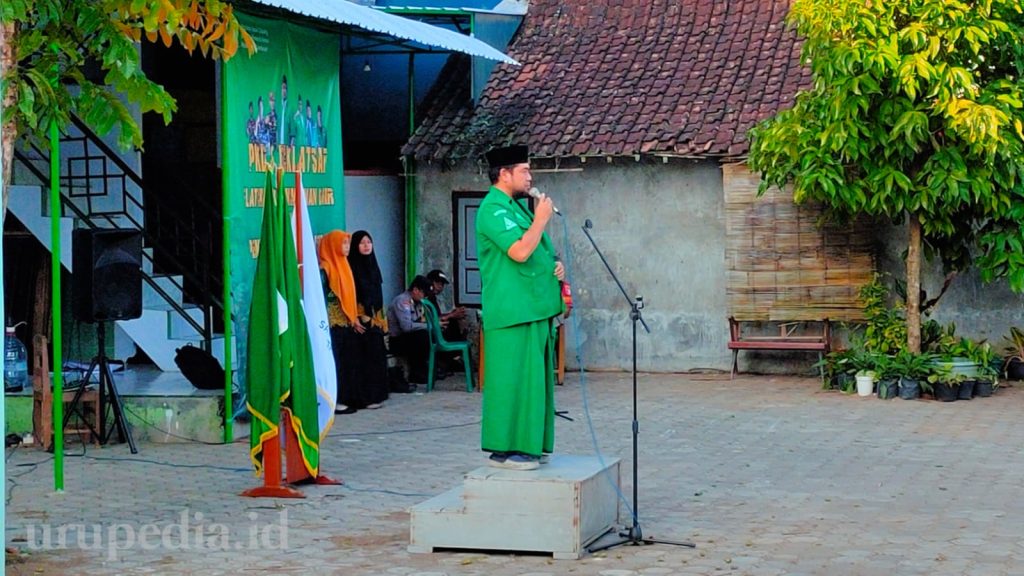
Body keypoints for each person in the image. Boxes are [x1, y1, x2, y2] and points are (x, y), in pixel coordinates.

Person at [475, 144, 565, 470]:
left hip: (532, 307)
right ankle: (510, 447)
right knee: (511, 383)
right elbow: (519, 251)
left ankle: (529, 445)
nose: (530, 176)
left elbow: (537, 252)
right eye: (524, 170)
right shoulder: (492, 209)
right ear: (504, 173)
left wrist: (554, 267)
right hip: (513, 311)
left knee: (533, 382)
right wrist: (541, 219)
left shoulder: (515, 207)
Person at [344, 230, 391, 409]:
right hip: (359, 322)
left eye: (369, 242)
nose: (366, 246)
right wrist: (356, 317)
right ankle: (365, 398)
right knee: (363, 359)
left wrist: (381, 320)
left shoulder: (373, 266)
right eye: (362, 243)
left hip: (374, 321)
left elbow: (377, 295)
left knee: (376, 357)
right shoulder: (351, 268)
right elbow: (351, 295)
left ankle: (376, 396)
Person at [318, 230, 360, 414]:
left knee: (347, 362)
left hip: (346, 323)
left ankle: (346, 397)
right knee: (336, 363)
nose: (347, 247)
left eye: (347, 243)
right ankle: (335, 400)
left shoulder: (344, 265)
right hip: (331, 325)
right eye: (343, 243)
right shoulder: (325, 269)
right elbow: (321, 298)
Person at [387, 275, 433, 384]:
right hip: (398, 340)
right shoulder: (403, 301)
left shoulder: (416, 302)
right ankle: (417, 373)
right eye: (424, 293)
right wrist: (429, 326)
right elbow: (406, 327)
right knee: (422, 337)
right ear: (416, 290)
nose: (424, 297)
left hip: (408, 338)